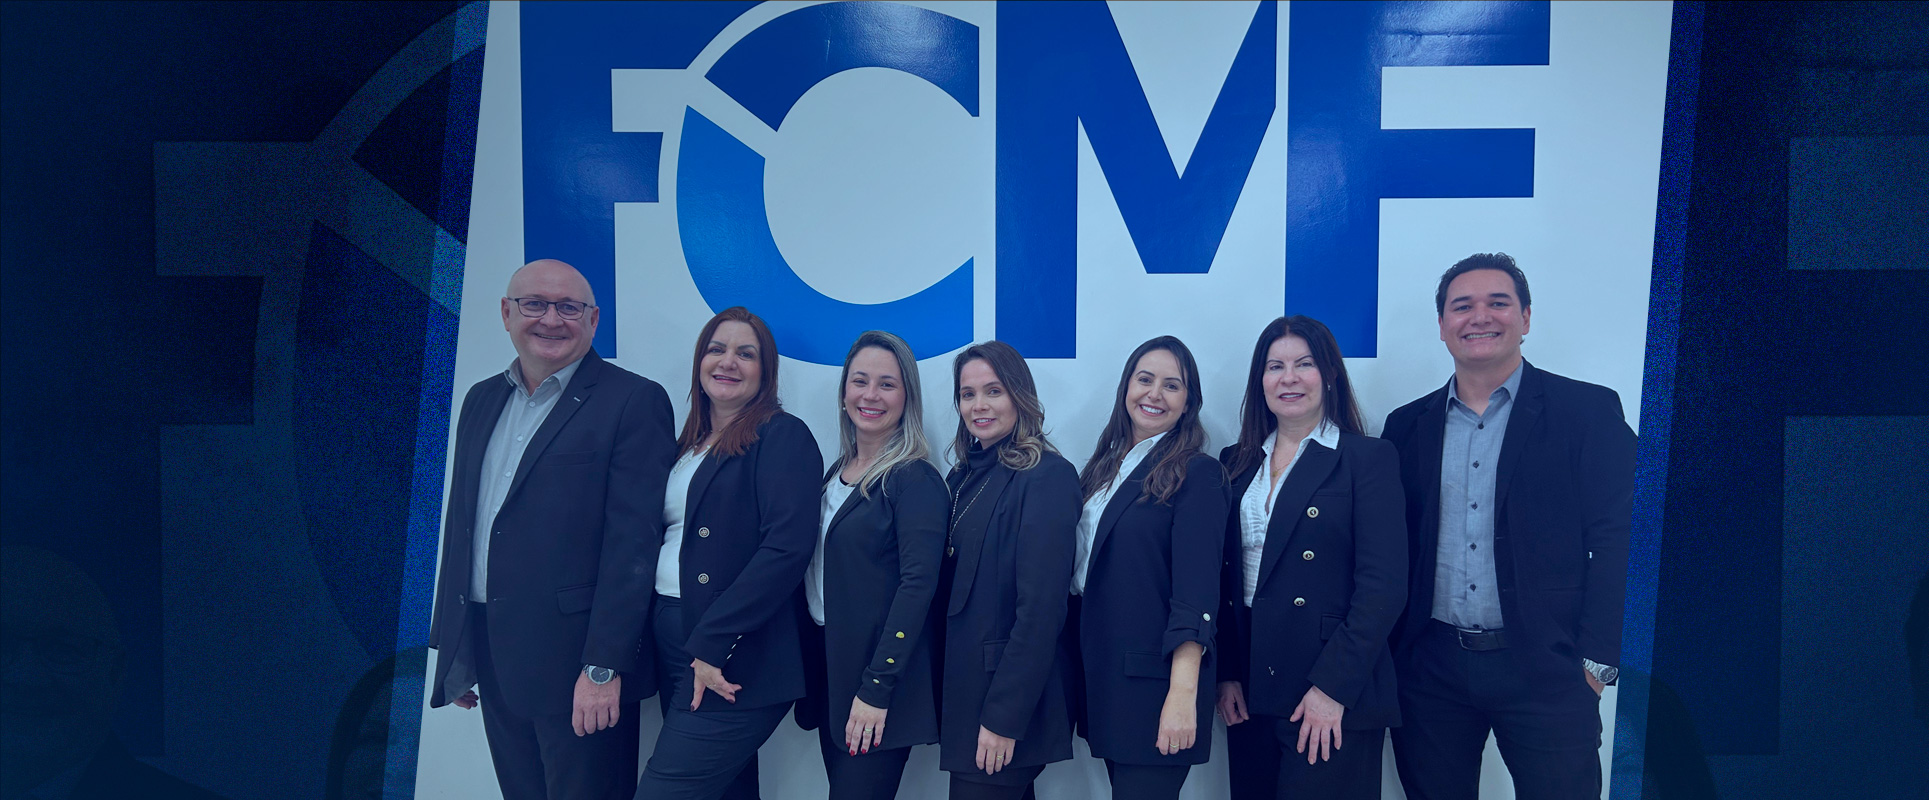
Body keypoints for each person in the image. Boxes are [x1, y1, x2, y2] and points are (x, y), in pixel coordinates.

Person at [1382, 253, 1637, 800]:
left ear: (1525, 318)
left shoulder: (1587, 412)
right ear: (1442, 325)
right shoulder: (1405, 426)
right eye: (1462, 306)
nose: (1480, 316)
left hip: (1549, 669)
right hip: (1430, 671)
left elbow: (1625, 539)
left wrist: (1597, 665)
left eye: (1497, 303)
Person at [427, 259, 674, 800]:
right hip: (493, 651)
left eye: (569, 307)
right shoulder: (480, 399)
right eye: (534, 304)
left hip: (577, 665)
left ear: (594, 320)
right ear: (506, 313)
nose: (551, 319)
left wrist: (604, 665)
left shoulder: (633, 400)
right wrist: (456, 646)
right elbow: (465, 525)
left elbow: (633, 547)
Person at [633, 306, 823, 800]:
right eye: (716, 349)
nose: (728, 362)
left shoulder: (782, 435)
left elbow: (786, 549)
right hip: (674, 638)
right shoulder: (688, 444)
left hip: (736, 654)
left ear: (765, 371)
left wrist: (712, 642)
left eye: (746, 353)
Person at [1215, 315, 1407, 800]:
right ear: (1260, 380)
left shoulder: (1367, 458)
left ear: (1330, 374)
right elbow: (1225, 581)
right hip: (1251, 685)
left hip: (1329, 685)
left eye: (1304, 364)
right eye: (1275, 366)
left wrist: (1333, 688)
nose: (1289, 378)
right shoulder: (1235, 462)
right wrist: (1228, 672)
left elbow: (1383, 588)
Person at [1071, 336, 1227, 800]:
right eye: (1144, 380)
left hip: (1156, 688)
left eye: (1172, 385)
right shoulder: (1103, 469)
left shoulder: (1197, 473)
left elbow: (1196, 595)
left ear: (1188, 403)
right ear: (1126, 387)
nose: (1154, 394)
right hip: (1107, 680)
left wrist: (1182, 695)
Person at [796, 331, 948, 800]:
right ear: (844, 392)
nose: (871, 395)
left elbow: (918, 587)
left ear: (907, 397)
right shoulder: (835, 474)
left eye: (887, 384)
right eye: (860, 381)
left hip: (877, 680)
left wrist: (877, 685)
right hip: (832, 671)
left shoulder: (914, 479)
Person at [937, 341, 1081, 800]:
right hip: (965, 693)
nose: (978, 405)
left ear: (1020, 396)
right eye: (967, 394)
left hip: (1006, 702)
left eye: (993, 391)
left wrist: (1004, 717)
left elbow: (1041, 611)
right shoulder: (960, 478)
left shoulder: (1047, 475)